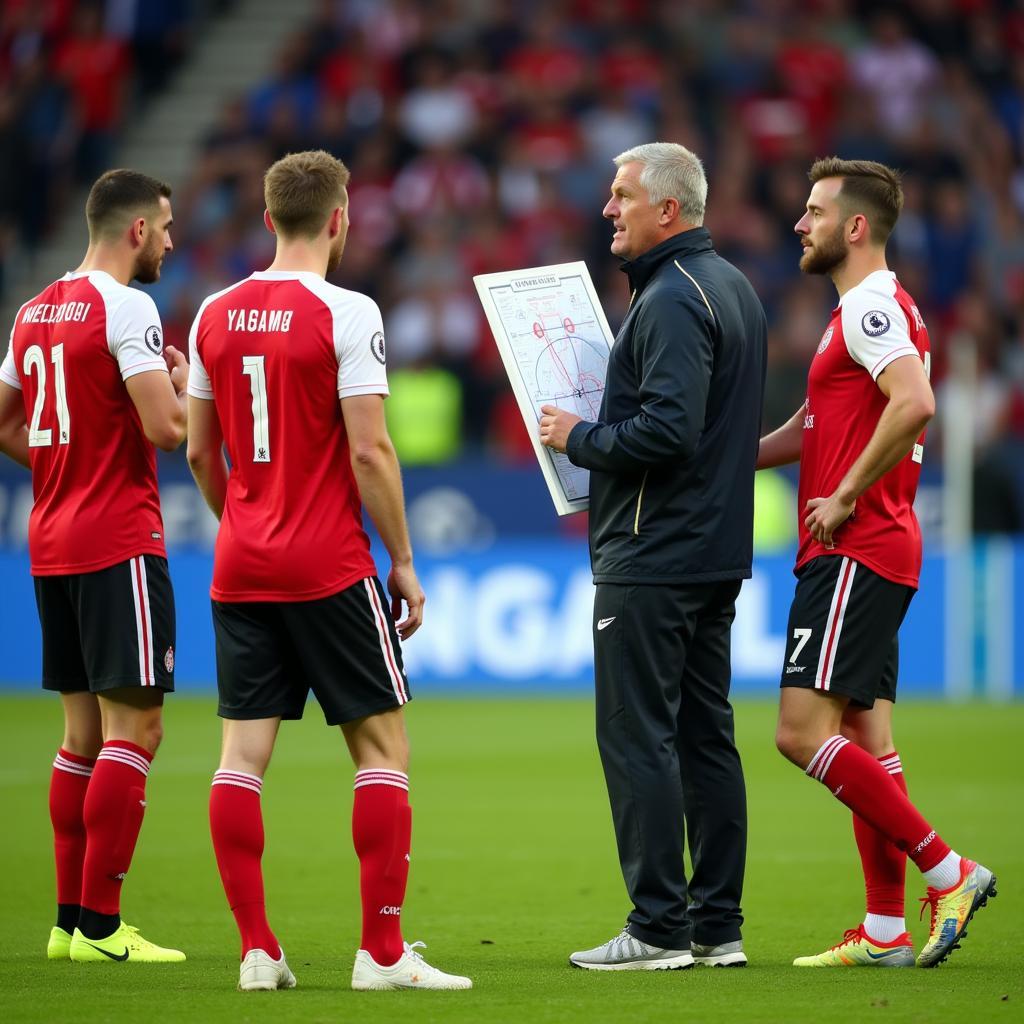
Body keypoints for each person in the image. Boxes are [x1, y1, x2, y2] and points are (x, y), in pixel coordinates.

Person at [186, 149, 471, 994]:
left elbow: (201, 450)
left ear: (269, 219)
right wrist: (406, 562)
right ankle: (381, 955)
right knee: (382, 748)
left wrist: (239, 516)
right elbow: (371, 447)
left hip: (240, 564)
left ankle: (256, 951)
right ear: (340, 220)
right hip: (328, 563)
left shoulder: (212, 310)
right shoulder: (348, 312)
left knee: (241, 759)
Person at [758, 157, 997, 968]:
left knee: (799, 735)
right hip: (876, 549)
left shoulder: (866, 310)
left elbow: (917, 400)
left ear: (854, 227)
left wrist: (847, 492)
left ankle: (949, 868)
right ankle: (887, 930)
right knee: (867, 735)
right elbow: (808, 429)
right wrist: (717, 460)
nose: (801, 223)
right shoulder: (863, 312)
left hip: (854, 548)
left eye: (815, 211)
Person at [539, 142, 767, 970]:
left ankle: (659, 928)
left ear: (668, 210)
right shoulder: (733, 287)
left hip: (652, 554)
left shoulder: (671, 299)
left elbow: (670, 430)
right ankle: (717, 926)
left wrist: (580, 437)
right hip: (710, 553)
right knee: (707, 737)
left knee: (639, 738)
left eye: (623, 195)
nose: (609, 208)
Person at [0, 169, 187, 963]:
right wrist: (180, 385)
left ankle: (67, 923)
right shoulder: (127, 306)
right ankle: (105, 926)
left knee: (80, 735)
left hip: (51, 538)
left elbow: (8, 423)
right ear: (136, 230)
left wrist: (60, 465)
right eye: (167, 227)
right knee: (135, 728)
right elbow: (169, 431)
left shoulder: (35, 308)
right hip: (117, 538)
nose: (172, 242)